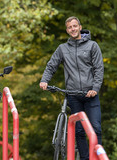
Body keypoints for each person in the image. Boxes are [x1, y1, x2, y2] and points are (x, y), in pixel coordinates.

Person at [39, 16, 104, 160]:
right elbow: (51, 65)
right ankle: (85, 158)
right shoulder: (62, 48)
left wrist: (95, 88)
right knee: (79, 131)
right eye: (69, 27)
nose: (73, 29)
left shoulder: (92, 46)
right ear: (67, 30)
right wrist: (44, 80)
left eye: (75, 26)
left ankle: (98, 157)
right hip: (73, 95)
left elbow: (99, 69)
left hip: (90, 94)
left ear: (80, 27)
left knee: (96, 127)